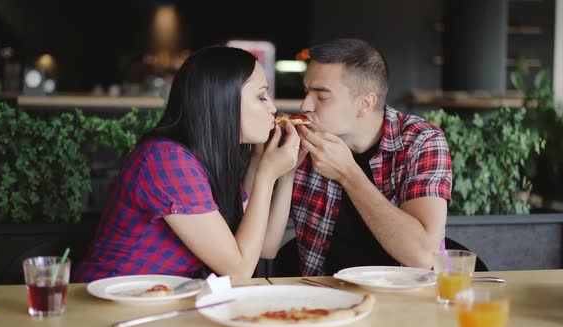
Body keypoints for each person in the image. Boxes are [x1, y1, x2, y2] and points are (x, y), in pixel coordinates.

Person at [73, 46, 301, 282]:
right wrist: (266, 175)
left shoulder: (210, 158)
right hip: (108, 304)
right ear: (222, 100)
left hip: (162, 303)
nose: (272, 108)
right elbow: (239, 270)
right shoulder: (167, 160)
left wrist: (285, 172)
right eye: (261, 96)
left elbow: (265, 247)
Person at [262, 38, 452, 276]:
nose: (305, 105)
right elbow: (266, 248)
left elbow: (422, 256)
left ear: (365, 103)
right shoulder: (301, 141)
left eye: (321, 97)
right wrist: (286, 169)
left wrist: (348, 173)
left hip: (403, 294)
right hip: (323, 293)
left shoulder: (420, 140)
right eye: (306, 91)